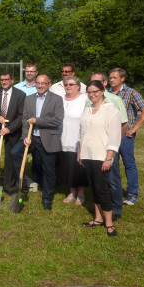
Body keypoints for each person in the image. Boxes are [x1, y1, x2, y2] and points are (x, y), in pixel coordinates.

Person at [11, 74, 64, 211]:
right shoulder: (29, 99)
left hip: (48, 139)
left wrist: (38, 120)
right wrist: (25, 137)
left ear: (49, 84)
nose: (40, 85)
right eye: (38, 83)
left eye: (43, 83)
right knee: (15, 153)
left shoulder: (56, 99)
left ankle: (47, 199)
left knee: (49, 170)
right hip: (32, 138)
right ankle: (22, 185)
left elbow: (58, 119)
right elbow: (25, 119)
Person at [78, 80, 121, 237]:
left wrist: (109, 158)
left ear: (103, 91)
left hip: (101, 156)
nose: (92, 94)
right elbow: (82, 132)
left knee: (102, 189)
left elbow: (115, 138)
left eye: (95, 91)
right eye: (89, 92)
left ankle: (109, 223)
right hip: (87, 155)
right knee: (94, 187)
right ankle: (97, 218)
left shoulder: (111, 111)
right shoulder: (87, 109)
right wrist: (80, 152)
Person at [108, 68, 144, 206]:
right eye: (110, 77)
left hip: (125, 136)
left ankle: (132, 194)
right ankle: (113, 191)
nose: (111, 80)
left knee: (129, 164)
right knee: (111, 164)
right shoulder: (107, 93)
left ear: (122, 79)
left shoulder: (131, 93)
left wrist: (133, 129)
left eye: (114, 77)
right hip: (110, 134)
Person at [89, 71, 128, 221]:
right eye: (91, 82)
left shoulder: (115, 101)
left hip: (109, 148)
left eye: (97, 83)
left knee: (112, 179)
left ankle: (116, 208)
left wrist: (114, 144)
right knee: (97, 180)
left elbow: (123, 124)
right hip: (94, 148)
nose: (93, 87)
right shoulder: (89, 101)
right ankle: (99, 208)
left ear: (104, 84)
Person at [0, 72, 26, 193]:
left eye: (6, 79)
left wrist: (10, 128)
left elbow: (21, 115)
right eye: (2, 79)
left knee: (10, 155)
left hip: (12, 130)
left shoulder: (20, 95)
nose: (4, 82)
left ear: (12, 80)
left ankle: (9, 184)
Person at [60, 76, 89, 206]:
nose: (68, 86)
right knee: (68, 167)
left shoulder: (84, 99)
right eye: (66, 85)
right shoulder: (60, 99)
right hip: (62, 139)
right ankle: (72, 192)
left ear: (78, 86)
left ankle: (81, 193)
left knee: (79, 167)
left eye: (71, 84)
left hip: (78, 139)